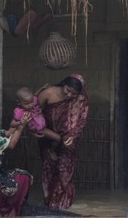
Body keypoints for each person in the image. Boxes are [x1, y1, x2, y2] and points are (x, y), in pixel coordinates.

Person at [34, 74, 89, 209]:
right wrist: (35, 130)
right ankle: (50, 201)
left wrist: (73, 135)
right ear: (63, 84)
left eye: (73, 94)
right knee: (49, 167)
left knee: (64, 169)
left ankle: (60, 204)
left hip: (68, 139)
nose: (69, 95)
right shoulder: (48, 93)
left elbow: (81, 120)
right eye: (67, 90)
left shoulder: (82, 100)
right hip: (48, 136)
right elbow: (34, 111)